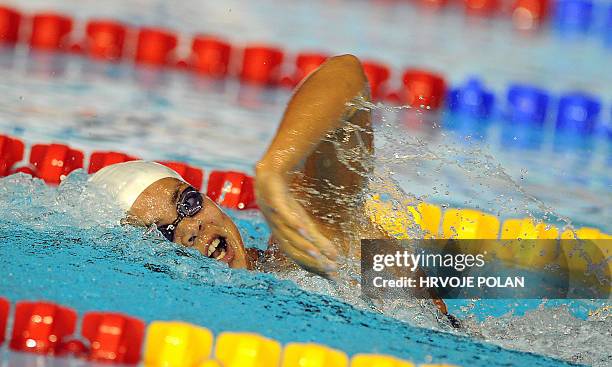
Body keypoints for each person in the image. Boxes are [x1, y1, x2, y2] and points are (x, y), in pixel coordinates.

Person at [90, 54, 456, 324]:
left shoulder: (304, 237)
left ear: (210, 199)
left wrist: (273, 172)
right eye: (161, 233)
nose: (190, 227)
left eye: (187, 203)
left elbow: (347, 74)